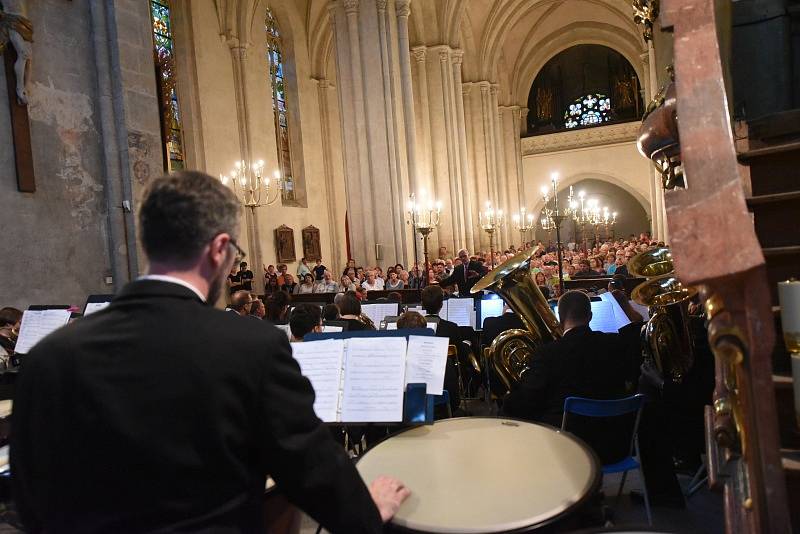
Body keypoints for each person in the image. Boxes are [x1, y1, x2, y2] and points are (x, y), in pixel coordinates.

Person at [10, 171, 408, 533]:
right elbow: (309, 465)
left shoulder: (51, 355)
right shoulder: (251, 347)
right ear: (219, 249)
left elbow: (29, 497)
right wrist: (368, 513)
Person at [502, 290, 629, 427]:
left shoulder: (547, 353)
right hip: (617, 431)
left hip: (567, 436)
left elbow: (527, 400)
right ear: (590, 316)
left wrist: (511, 394)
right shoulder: (616, 343)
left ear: (559, 318)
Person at [420, 286, 463, 412]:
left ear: (422, 304)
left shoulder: (415, 328)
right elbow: (460, 356)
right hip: (447, 384)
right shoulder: (451, 328)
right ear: (441, 305)